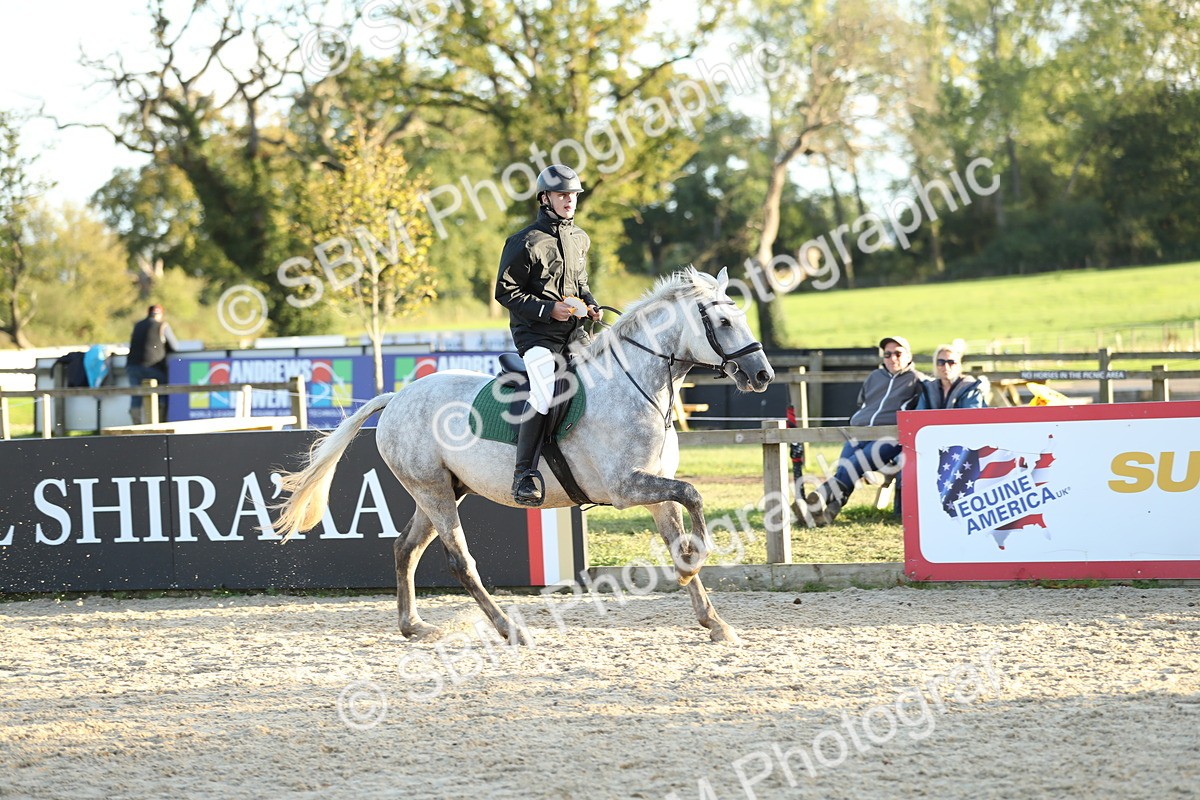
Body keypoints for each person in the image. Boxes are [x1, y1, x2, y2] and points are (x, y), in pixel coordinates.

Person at [495, 164, 602, 506]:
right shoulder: (524, 241)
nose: (569, 201)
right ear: (545, 198)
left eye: (573, 195)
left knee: (604, 381)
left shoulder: (580, 238)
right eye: (562, 195)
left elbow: (580, 284)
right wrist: (546, 310)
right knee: (543, 393)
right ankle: (524, 475)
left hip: (574, 333)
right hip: (537, 337)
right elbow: (505, 292)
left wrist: (591, 304)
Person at [805, 335, 926, 526]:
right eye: (887, 354)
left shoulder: (918, 381)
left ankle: (820, 495)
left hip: (890, 437)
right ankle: (829, 511)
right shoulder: (874, 377)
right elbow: (863, 402)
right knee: (845, 465)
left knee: (853, 465)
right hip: (859, 432)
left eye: (898, 353)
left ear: (909, 356)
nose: (892, 358)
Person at [127, 304, 179, 423]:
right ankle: (158, 425)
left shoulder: (137, 325)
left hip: (133, 366)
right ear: (160, 314)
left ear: (148, 313)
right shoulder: (162, 325)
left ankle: (137, 426)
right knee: (160, 394)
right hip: (153, 366)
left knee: (136, 396)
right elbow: (175, 347)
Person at [916, 340, 989, 410]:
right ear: (936, 365)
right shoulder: (928, 389)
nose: (946, 367)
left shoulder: (970, 388)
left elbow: (971, 417)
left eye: (951, 362)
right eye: (941, 362)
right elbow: (919, 416)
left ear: (958, 364)